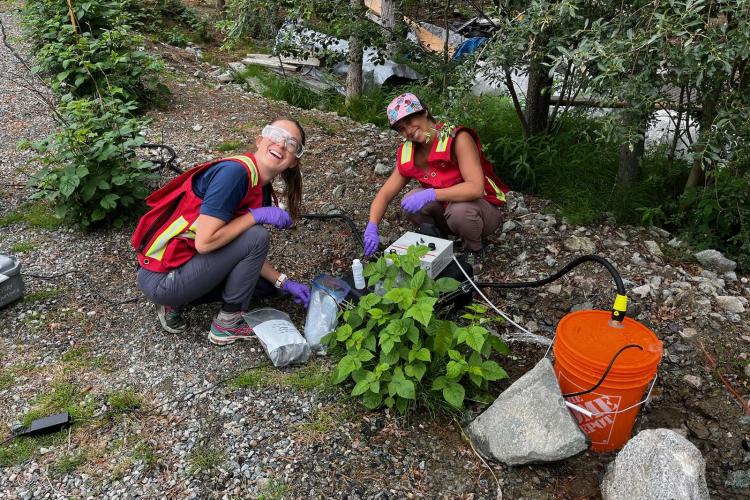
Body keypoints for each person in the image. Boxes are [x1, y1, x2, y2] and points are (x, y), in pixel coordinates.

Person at [132, 118, 311, 346]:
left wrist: (284, 283)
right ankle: (226, 324)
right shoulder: (235, 175)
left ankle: (182, 298)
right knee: (258, 236)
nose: (282, 144)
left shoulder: (260, 185)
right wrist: (256, 216)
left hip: (182, 263)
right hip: (161, 276)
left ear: (294, 161)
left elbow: (242, 248)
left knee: (265, 286)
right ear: (259, 140)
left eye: (291, 144)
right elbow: (205, 243)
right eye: (276, 135)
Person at [363, 93, 509, 268]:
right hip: (447, 211)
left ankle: (473, 251)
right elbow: (386, 194)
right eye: (401, 128)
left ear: (424, 113)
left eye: (409, 121)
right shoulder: (409, 152)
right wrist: (372, 225)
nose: (408, 131)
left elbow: (475, 188)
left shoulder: (458, 138)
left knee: (459, 210)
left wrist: (431, 194)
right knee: (411, 198)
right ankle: (438, 244)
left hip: (480, 211)